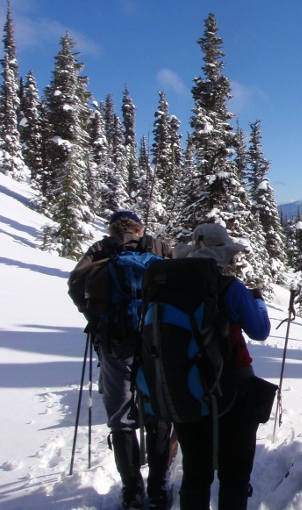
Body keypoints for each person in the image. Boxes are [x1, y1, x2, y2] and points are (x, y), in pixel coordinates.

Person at [68, 210, 173, 510]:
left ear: (113, 230)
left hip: (115, 342)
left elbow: (76, 286)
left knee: (121, 416)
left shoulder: (101, 250)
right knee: (159, 410)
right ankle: (159, 487)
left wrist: (95, 316)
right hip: (157, 341)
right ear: (139, 230)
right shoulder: (158, 247)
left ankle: (132, 490)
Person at [171, 222, 271, 510]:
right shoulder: (230, 287)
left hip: (184, 388)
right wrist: (258, 301)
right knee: (234, 474)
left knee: (195, 473)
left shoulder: (168, 286)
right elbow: (260, 330)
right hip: (232, 390)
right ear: (221, 254)